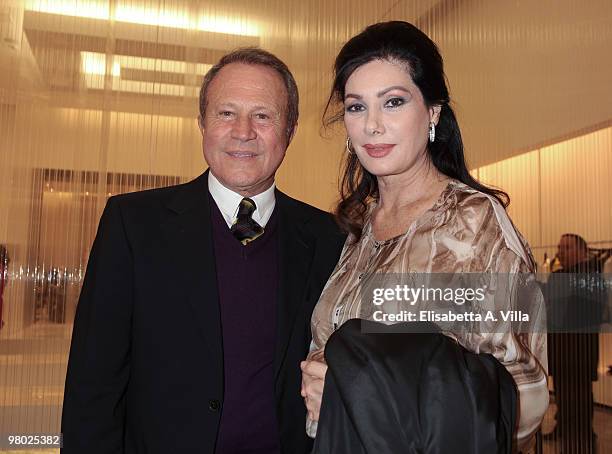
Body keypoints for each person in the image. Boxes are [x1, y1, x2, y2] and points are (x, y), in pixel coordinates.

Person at [61, 48, 346, 454]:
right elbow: (94, 384)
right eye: (226, 113)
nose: (243, 131)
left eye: (263, 115)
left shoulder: (330, 237)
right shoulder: (133, 224)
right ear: (202, 123)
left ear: (291, 130)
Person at [300, 21, 549, 452]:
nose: (372, 126)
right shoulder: (357, 225)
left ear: (432, 112)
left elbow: (525, 395)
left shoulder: (470, 222)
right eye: (356, 107)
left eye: (393, 102)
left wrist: (358, 393)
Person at [544, 233, 606, 453]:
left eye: (567, 247)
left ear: (582, 250)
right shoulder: (559, 275)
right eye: (559, 247)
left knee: (578, 396)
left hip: (579, 351)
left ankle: (582, 436)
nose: (560, 251)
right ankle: (563, 428)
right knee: (562, 393)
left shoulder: (591, 275)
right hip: (561, 349)